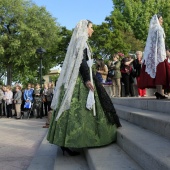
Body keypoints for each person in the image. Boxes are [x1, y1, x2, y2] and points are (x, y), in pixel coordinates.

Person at [47, 20, 121, 155]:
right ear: (85, 28)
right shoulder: (81, 40)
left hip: (77, 78)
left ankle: (64, 141)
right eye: (91, 28)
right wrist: (87, 79)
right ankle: (75, 140)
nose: (92, 30)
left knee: (70, 110)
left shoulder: (79, 41)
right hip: (81, 78)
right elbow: (81, 62)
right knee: (80, 110)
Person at [139, 14, 168, 99]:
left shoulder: (152, 30)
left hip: (153, 56)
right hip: (159, 55)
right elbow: (160, 43)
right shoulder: (159, 29)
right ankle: (160, 92)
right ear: (157, 20)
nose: (162, 21)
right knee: (161, 74)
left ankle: (159, 93)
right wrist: (164, 53)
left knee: (158, 74)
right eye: (161, 19)